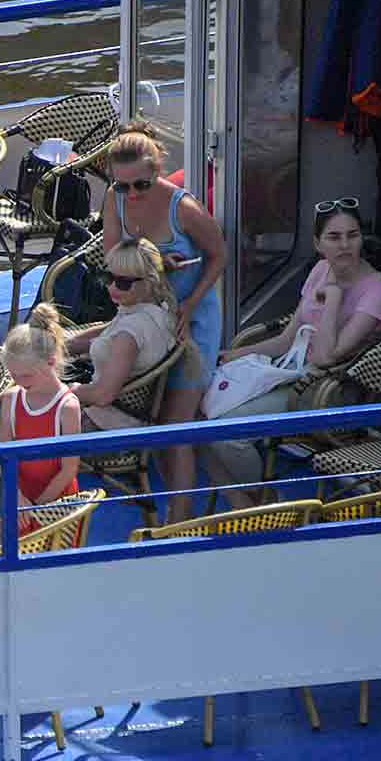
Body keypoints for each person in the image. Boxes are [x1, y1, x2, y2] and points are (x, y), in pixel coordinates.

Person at [201, 200, 381, 507]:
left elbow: (325, 358)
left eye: (353, 235)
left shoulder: (377, 290)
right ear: (318, 244)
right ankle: (244, 504)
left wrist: (334, 297)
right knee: (195, 418)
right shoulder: (320, 270)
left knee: (227, 434)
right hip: (291, 374)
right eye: (334, 237)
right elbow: (286, 340)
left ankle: (267, 502)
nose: (345, 245)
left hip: (331, 389)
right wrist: (235, 354)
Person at [97, 121, 227, 523]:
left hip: (190, 319)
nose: (133, 194)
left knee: (175, 424)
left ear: (157, 172)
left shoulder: (182, 207)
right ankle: (175, 507)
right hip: (146, 317)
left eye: (142, 184)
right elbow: (115, 259)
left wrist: (190, 302)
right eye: (123, 186)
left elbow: (219, 255)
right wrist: (156, 261)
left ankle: (180, 518)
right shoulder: (114, 200)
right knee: (154, 420)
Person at [66, 238, 179, 429]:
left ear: (149, 281)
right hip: (117, 418)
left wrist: (61, 392)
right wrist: (63, 345)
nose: (112, 287)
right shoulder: (154, 310)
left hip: (104, 426)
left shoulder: (130, 333)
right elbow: (109, 329)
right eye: (107, 277)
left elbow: (103, 395)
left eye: (123, 283)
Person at [0, 305, 82, 536]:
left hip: (56, 507)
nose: (19, 382)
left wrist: (36, 508)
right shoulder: (11, 399)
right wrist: (17, 498)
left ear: (50, 362)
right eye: (13, 375)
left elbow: (69, 468)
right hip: (19, 501)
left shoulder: (67, 407)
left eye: (26, 375)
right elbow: (4, 457)